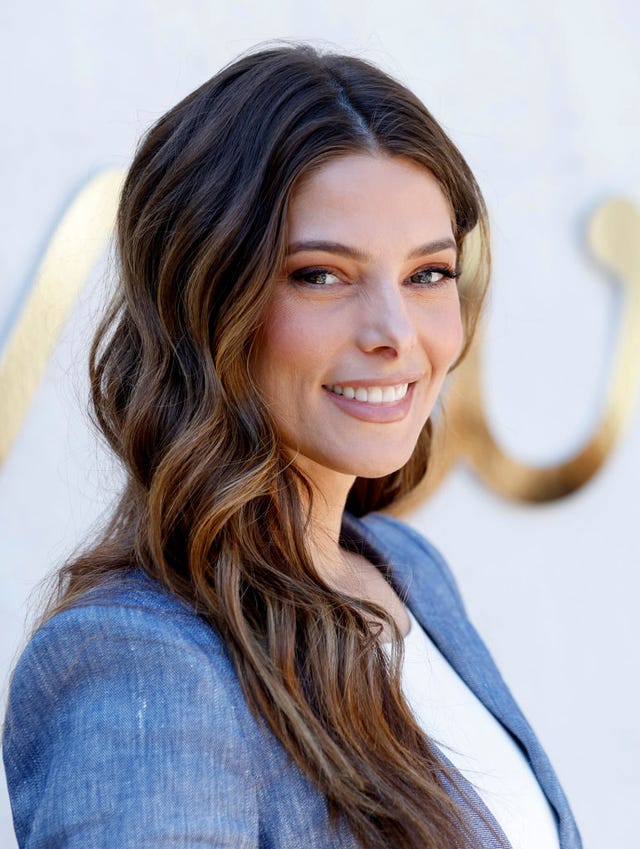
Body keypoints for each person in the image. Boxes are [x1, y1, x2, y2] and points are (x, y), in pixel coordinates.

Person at [2, 44, 582, 849]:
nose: (395, 333)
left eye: (428, 274)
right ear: (203, 300)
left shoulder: (406, 572)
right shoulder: (143, 663)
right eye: (320, 274)